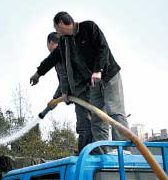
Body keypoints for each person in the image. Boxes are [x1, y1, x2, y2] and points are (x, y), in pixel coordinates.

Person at [53, 11, 129, 152]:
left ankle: (123, 149)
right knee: (97, 116)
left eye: (56, 28)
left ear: (62, 23)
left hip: (108, 75)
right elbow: (66, 69)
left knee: (114, 111)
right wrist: (64, 90)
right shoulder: (66, 41)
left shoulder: (89, 27)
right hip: (93, 82)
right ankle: (102, 151)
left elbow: (103, 48)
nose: (56, 31)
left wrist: (98, 70)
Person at [30, 32, 92, 153]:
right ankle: (89, 149)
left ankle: (85, 152)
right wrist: (55, 98)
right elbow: (64, 80)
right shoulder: (68, 50)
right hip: (86, 91)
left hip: (82, 93)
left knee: (84, 124)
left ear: (50, 43)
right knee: (92, 122)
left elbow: (65, 76)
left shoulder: (59, 53)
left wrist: (63, 94)